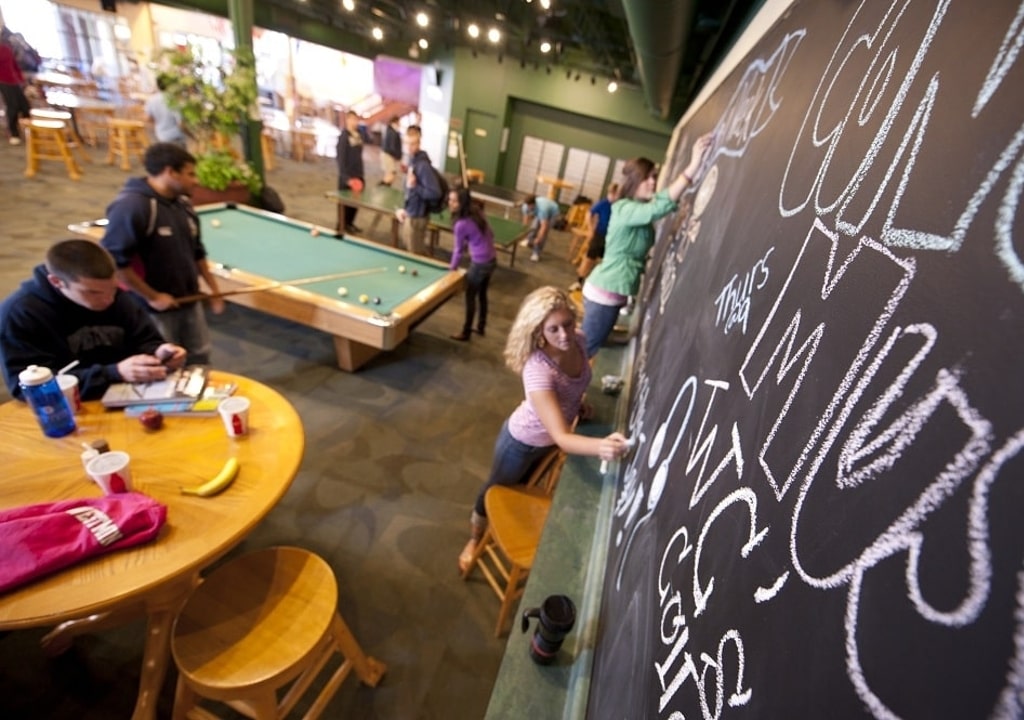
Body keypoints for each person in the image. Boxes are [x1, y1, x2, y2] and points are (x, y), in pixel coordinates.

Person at [457, 286, 630, 572]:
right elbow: (563, 438)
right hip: (522, 442)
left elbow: (572, 386)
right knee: (496, 488)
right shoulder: (538, 369)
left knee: (525, 488)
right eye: (553, 330)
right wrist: (602, 447)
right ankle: (474, 539)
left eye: (567, 324)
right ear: (539, 333)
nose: (564, 335)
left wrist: (578, 403)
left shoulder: (580, 340)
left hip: (550, 436)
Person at [0, 239, 187, 401]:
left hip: (131, 396)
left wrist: (159, 351)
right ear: (57, 282)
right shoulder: (19, 314)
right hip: (67, 410)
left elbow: (144, 339)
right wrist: (114, 373)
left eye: (113, 288)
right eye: (93, 292)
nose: (108, 300)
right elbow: (26, 388)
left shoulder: (117, 298)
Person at [581, 133, 713, 358]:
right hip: (604, 292)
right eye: (648, 178)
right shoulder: (624, 208)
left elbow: (660, 202)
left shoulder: (637, 207)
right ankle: (565, 392)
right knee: (585, 352)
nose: (653, 181)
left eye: (655, 176)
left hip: (613, 293)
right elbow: (657, 208)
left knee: (594, 343)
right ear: (634, 181)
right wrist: (692, 166)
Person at [101, 142, 225, 365]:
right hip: (151, 310)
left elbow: (197, 251)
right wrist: (153, 297)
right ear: (170, 172)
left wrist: (214, 290)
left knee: (199, 356)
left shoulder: (184, 205)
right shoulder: (132, 207)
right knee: (163, 365)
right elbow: (116, 264)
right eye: (190, 174)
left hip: (189, 299)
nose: (196, 180)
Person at [448, 188, 497, 341]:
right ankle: (481, 327)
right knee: (482, 294)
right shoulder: (477, 212)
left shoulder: (460, 224)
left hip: (480, 263)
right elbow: (491, 233)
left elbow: (458, 250)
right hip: (492, 259)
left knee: (470, 297)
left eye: (454, 201)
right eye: (450, 200)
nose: (450, 203)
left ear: (462, 203)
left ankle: (466, 332)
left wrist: (452, 269)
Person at [394, 124, 442, 256]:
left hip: (417, 220)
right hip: (410, 215)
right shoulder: (412, 161)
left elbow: (435, 193)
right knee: (411, 252)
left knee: (416, 255)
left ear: (419, 142)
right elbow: (409, 190)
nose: (410, 148)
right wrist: (404, 209)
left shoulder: (423, 166)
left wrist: (417, 187)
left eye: (413, 144)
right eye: (407, 144)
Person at [572, 183, 620, 289]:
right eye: (613, 194)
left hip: (613, 237)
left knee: (606, 261)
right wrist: (590, 229)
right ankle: (579, 281)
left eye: (617, 195)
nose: (614, 197)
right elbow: (589, 213)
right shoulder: (603, 203)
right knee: (590, 258)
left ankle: (599, 285)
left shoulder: (619, 205)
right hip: (599, 234)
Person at [335, 109, 365, 233]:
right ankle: (341, 226)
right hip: (347, 177)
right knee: (344, 204)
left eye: (356, 119)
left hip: (358, 174)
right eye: (352, 119)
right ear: (347, 120)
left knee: (355, 203)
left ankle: (350, 223)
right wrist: (346, 178)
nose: (355, 122)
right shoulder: (343, 137)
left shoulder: (358, 135)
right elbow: (340, 159)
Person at [0, 35, 30, 145]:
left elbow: (14, 64)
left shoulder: (8, 47)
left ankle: (27, 129)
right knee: (13, 105)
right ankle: (13, 133)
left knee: (24, 105)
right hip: (3, 80)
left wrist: (20, 78)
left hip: (14, 80)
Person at [144, 75, 189, 146]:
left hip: (161, 136)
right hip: (176, 137)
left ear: (157, 85)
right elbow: (181, 124)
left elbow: (148, 119)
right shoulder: (173, 99)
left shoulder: (151, 100)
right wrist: (192, 136)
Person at [519, 194, 560, 262]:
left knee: (543, 234)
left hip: (553, 213)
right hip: (542, 209)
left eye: (530, 206)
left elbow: (544, 227)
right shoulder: (525, 206)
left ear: (533, 204)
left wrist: (538, 238)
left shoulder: (542, 210)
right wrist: (524, 234)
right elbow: (525, 221)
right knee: (533, 227)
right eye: (527, 206)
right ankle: (529, 241)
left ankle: (536, 253)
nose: (528, 207)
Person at [380, 115, 402, 186]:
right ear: (395, 122)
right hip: (388, 155)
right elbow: (392, 147)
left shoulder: (389, 130)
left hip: (387, 154)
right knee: (391, 175)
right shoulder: (393, 132)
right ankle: (380, 189)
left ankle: (383, 189)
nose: (400, 124)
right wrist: (398, 157)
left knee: (389, 174)